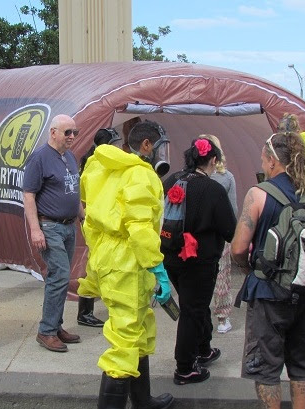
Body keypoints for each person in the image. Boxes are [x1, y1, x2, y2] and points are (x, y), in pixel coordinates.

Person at [78, 120, 174, 409]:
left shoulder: (104, 170)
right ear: (146, 145)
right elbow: (140, 227)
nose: (161, 154)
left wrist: (97, 263)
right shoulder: (140, 175)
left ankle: (142, 401)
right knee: (125, 341)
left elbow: (90, 220)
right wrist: (158, 268)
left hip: (114, 260)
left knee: (138, 331)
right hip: (129, 263)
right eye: (159, 148)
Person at [231, 131, 305, 409]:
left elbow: (238, 248)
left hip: (269, 292)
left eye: (264, 160)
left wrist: (249, 268)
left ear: (273, 161)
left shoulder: (259, 194)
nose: (263, 165)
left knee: (266, 366)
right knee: (303, 363)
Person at [162, 137, 236, 385]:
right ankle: (184, 368)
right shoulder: (212, 189)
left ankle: (203, 349)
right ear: (212, 160)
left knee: (196, 305)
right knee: (193, 310)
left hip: (171, 256)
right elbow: (229, 229)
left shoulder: (172, 180)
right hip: (199, 260)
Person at [23, 114, 83, 353]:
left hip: (68, 226)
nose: (71, 137)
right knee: (59, 276)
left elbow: (73, 187)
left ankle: (55, 326)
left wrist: (81, 213)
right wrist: (35, 229)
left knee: (61, 277)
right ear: (53, 132)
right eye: (67, 132)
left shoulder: (69, 156)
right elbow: (29, 195)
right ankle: (46, 331)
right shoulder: (39, 158)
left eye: (74, 133)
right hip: (49, 226)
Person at [74, 128, 120, 328]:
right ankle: (85, 312)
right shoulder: (96, 164)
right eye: (116, 143)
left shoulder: (95, 161)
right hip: (97, 222)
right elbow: (86, 194)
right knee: (96, 264)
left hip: (97, 220)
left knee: (97, 262)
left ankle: (88, 310)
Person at [202, 135, 238, 334]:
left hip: (202, 235)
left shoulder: (189, 177)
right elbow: (232, 210)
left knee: (206, 275)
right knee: (221, 275)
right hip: (219, 234)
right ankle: (223, 317)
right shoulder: (226, 177)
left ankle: (211, 313)